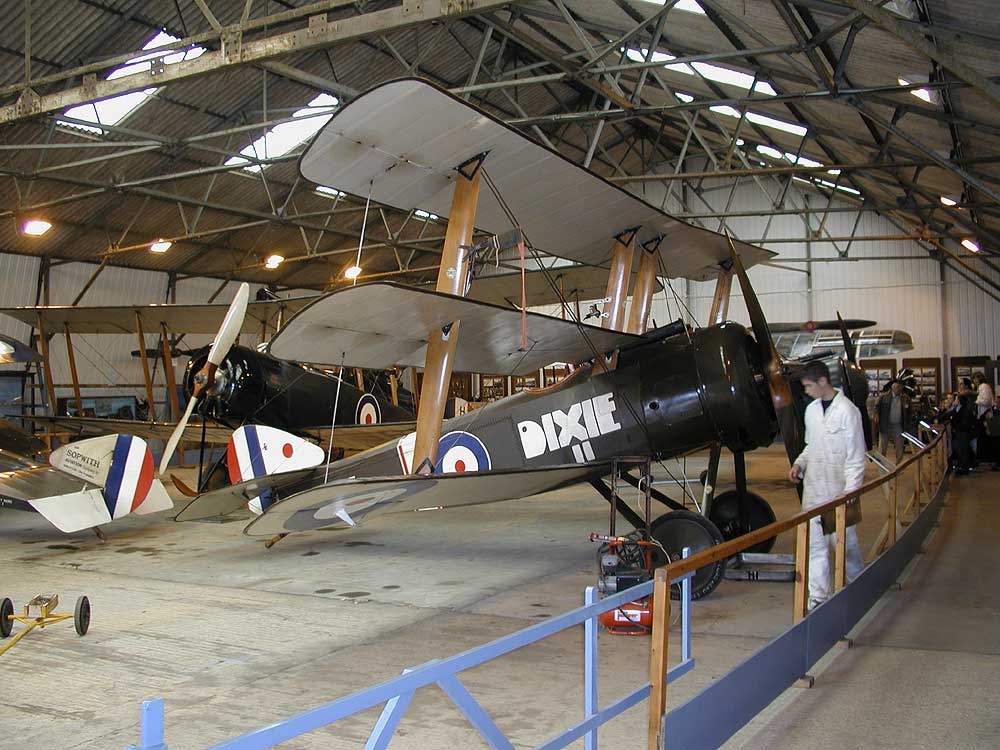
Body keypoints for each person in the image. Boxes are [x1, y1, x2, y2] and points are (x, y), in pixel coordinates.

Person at [788, 360, 866, 610]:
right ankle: (819, 597)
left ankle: (859, 584)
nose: (806, 391)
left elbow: (856, 458)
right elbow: (811, 446)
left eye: (809, 386)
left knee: (845, 544)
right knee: (815, 546)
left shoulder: (848, 412)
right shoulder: (811, 411)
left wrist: (850, 492)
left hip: (839, 492)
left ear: (823, 381)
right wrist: (799, 464)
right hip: (813, 493)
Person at [875, 380, 911, 464]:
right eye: (897, 387)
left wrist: (907, 424)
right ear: (892, 388)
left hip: (898, 426)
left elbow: (909, 412)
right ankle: (882, 466)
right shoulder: (883, 397)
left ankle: (898, 466)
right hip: (885, 425)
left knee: (899, 447)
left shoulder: (905, 398)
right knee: (882, 448)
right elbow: (877, 407)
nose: (899, 389)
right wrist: (876, 414)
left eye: (900, 387)